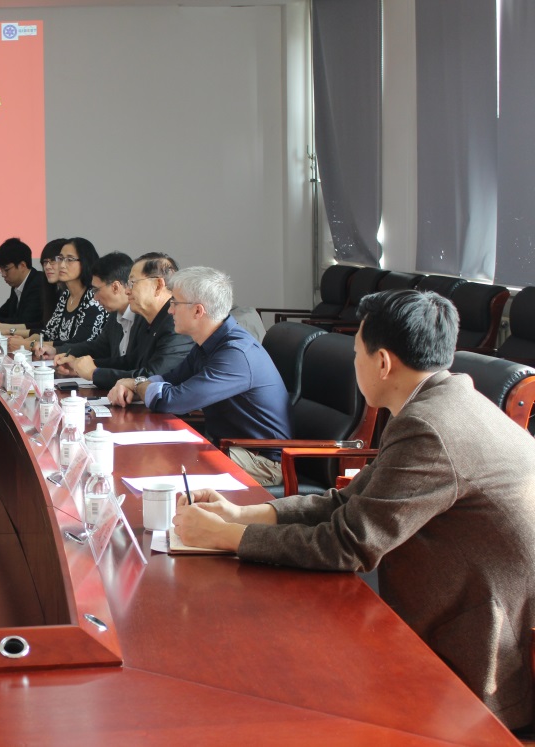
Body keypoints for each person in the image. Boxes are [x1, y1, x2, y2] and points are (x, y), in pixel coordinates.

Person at [173, 289, 535, 730]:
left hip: (477, 653)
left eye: (357, 352)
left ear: (382, 362)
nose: (354, 363)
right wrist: (240, 514)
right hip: (453, 599)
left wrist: (224, 537)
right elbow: (349, 501)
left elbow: (348, 545)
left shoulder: (429, 427)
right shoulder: (442, 400)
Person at [108, 266, 291, 486]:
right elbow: (170, 379)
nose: (169, 310)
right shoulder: (209, 343)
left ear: (198, 311)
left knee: (159, 463)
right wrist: (136, 384)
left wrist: (137, 385)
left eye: (175, 303)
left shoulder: (235, 355)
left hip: (260, 461)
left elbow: (172, 400)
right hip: (229, 447)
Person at [55, 251, 193, 388]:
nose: (127, 291)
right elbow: (131, 362)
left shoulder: (175, 323)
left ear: (158, 286)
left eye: (133, 283)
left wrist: (94, 373)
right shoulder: (152, 320)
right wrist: (81, 367)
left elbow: (153, 377)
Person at [6, 237, 108, 357]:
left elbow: (79, 343)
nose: (62, 265)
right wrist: (26, 341)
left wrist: (30, 344)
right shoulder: (66, 295)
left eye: (69, 259)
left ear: (85, 262)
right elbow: (49, 332)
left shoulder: (93, 297)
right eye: (60, 259)